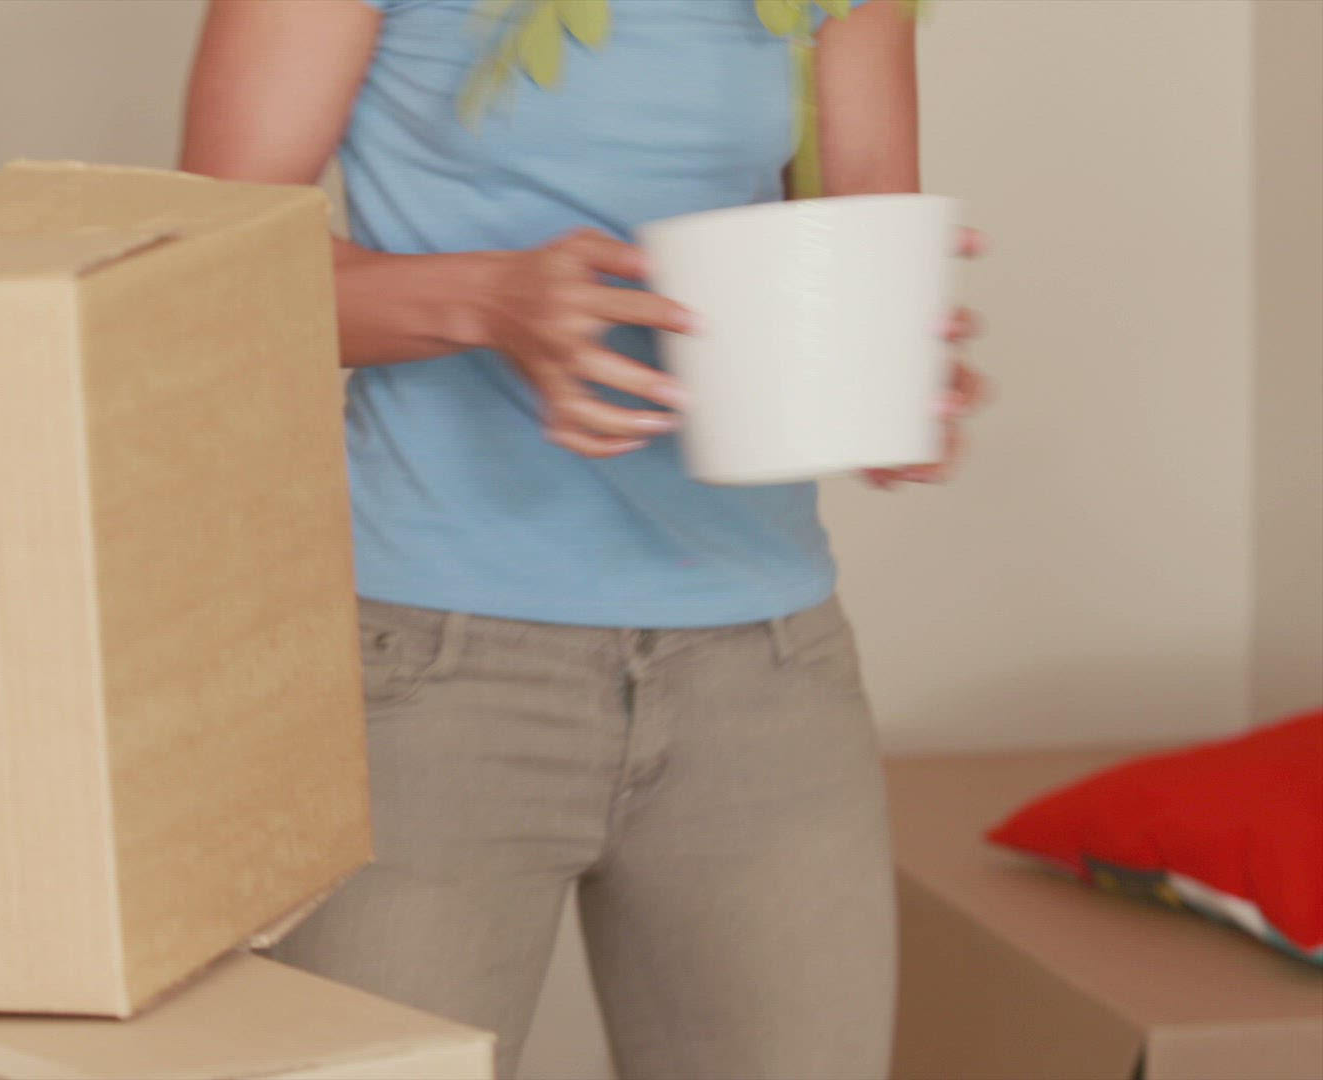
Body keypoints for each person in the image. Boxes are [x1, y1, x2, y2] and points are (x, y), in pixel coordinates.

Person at [180, 2, 984, 1078]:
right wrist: (487, 301)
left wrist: (889, 367)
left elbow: (854, 234)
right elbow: (206, 263)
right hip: (428, 669)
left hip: (767, 666)